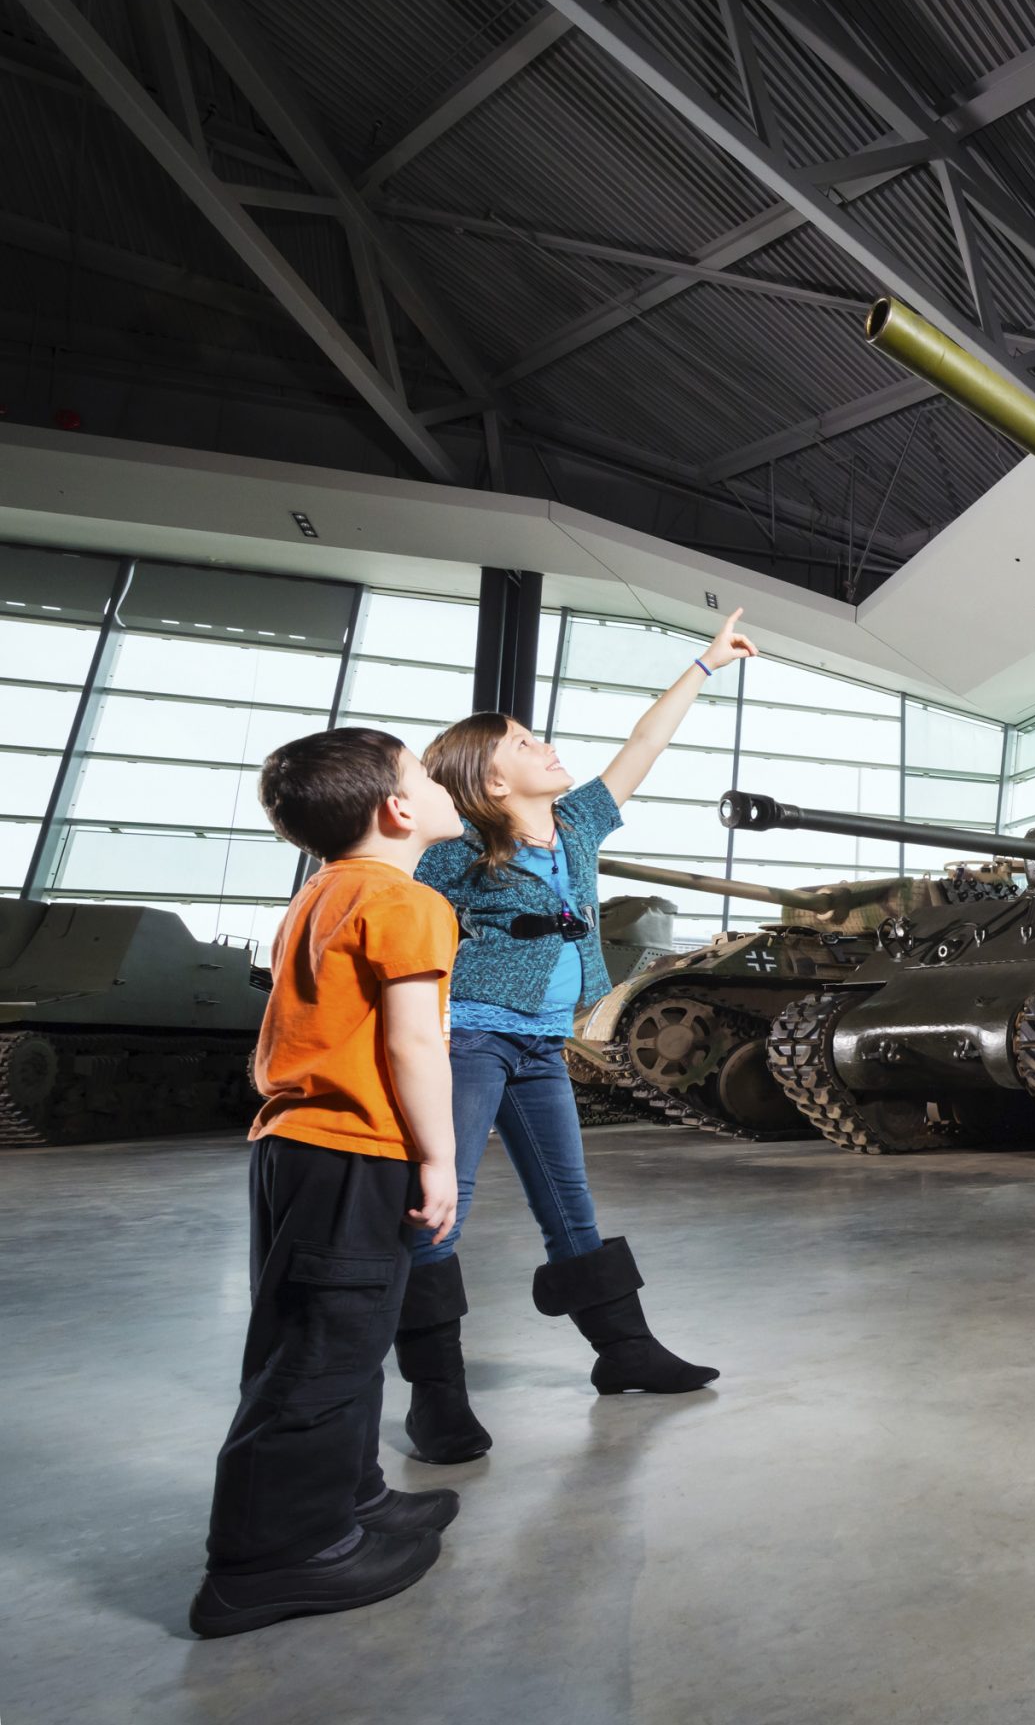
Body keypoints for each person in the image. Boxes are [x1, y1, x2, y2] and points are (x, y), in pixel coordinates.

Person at [393, 609, 757, 1463]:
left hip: (541, 1046)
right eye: (521, 742)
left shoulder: (581, 824)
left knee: (570, 1207)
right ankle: (435, 1397)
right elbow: (389, 884)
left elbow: (643, 744)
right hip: (474, 1039)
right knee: (443, 1210)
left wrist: (704, 666)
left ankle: (624, 1352)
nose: (543, 744)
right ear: (487, 783)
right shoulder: (456, 852)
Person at [192, 728, 467, 1638]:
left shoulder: (322, 890)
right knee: (324, 1347)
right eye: (425, 775)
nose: (438, 783)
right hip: (356, 1147)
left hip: (294, 1147)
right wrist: (439, 1155)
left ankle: (351, 1498)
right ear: (397, 810)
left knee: (333, 1332)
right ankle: (274, 1559)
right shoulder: (405, 900)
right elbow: (413, 1041)